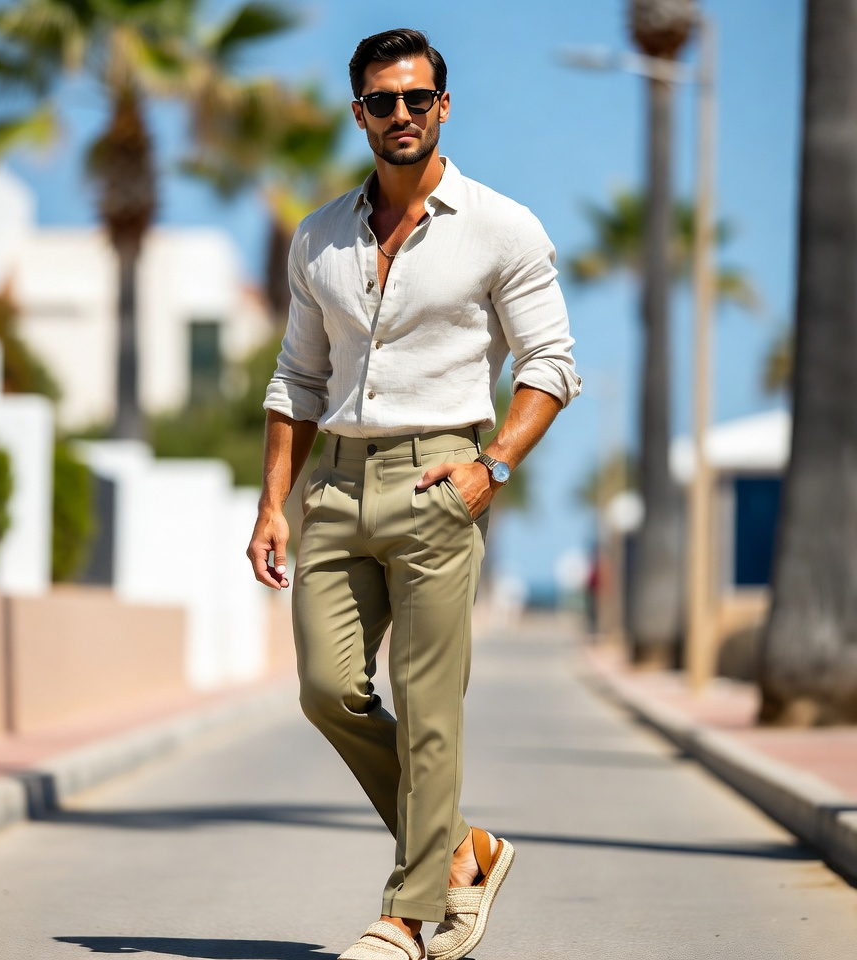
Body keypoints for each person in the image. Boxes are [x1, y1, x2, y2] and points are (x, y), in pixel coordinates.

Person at [247, 27, 580, 960]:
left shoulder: (502, 226)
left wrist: (492, 465)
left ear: (442, 107)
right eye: (382, 101)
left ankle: (405, 913)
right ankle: (465, 848)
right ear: (360, 113)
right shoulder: (317, 237)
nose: (402, 114)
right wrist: (273, 503)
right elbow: (296, 382)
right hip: (337, 488)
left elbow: (551, 365)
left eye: (417, 99)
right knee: (326, 688)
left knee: (430, 706)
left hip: (442, 478)